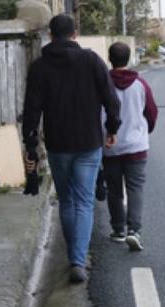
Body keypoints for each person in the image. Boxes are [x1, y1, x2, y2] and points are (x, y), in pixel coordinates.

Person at [22, 15, 120, 283]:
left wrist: (30, 143)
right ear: (75, 34)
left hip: (58, 144)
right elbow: (111, 99)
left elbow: (31, 110)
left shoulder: (39, 67)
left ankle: (73, 257)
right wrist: (112, 128)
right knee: (84, 201)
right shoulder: (92, 61)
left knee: (67, 200)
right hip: (88, 142)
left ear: (51, 36)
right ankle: (78, 259)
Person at [102, 41, 158, 251]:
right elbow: (151, 113)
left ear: (110, 58)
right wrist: (144, 130)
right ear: (129, 58)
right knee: (135, 188)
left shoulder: (103, 84)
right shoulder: (141, 84)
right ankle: (134, 230)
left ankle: (118, 229)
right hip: (136, 146)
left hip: (110, 146)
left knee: (114, 190)